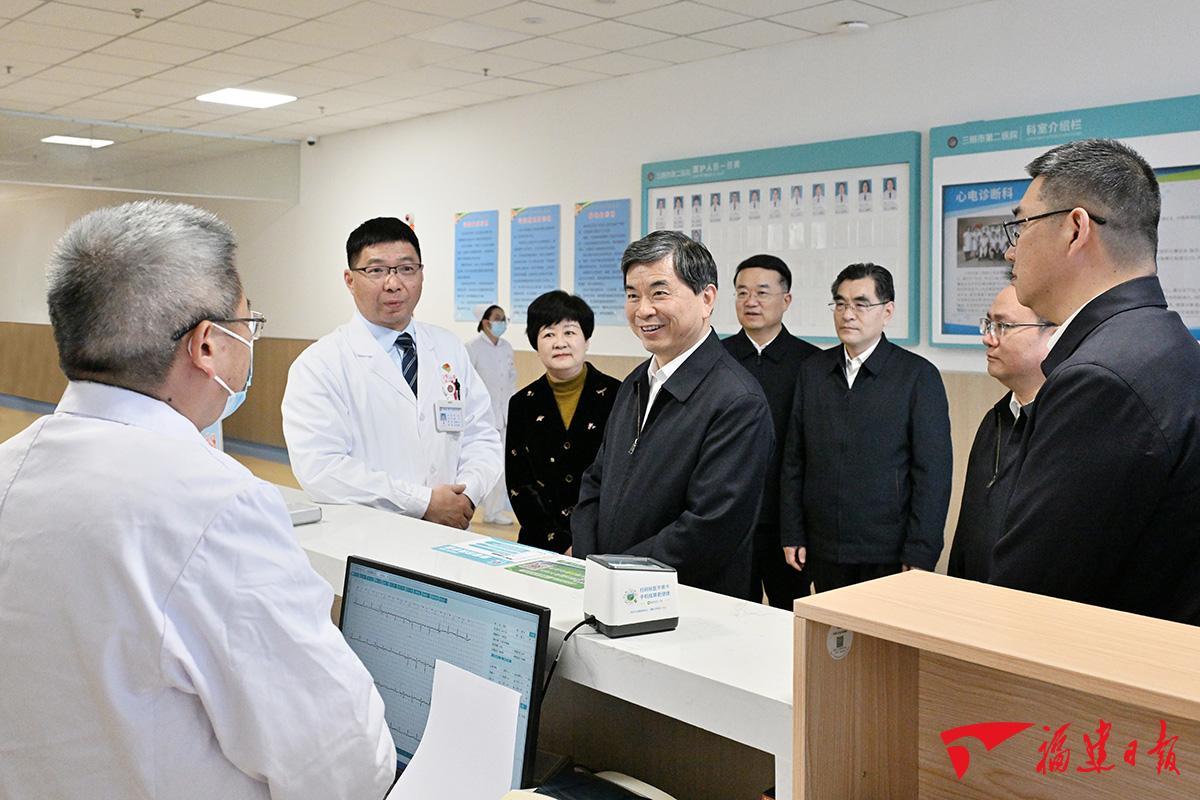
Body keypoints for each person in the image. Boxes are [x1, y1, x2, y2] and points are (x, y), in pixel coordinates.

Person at [0, 201, 394, 799]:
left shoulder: (11, 467)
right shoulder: (218, 506)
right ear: (207, 345)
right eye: (248, 323)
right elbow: (341, 766)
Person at [991, 138, 1200, 625]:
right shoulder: (1167, 342)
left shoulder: (1099, 380)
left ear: (1075, 228)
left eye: (1021, 226)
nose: (1010, 248)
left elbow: (1033, 589)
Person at [572, 231, 774, 599]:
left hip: (682, 604)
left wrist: (614, 573)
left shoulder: (737, 400)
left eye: (659, 293)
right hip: (610, 591)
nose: (643, 310)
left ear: (706, 299)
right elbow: (596, 481)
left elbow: (710, 528)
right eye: (632, 295)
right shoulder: (636, 382)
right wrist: (591, 562)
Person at [282, 216, 502, 529]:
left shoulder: (448, 348)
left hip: (449, 531)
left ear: (421, 274)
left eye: (406, 269)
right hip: (365, 536)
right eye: (376, 270)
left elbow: (481, 435)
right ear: (349, 279)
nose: (393, 283)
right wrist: (423, 502)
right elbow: (320, 468)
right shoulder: (319, 364)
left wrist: (466, 495)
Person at [781, 263, 952, 592]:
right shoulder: (813, 371)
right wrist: (792, 531)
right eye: (840, 303)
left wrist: (922, 549)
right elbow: (794, 460)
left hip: (888, 549)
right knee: (829, 625)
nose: (848, 314)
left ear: (887, 312)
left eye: (861, 304)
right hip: (823, 545)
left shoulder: (918, 376)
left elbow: (933, 474)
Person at [722, 255, 818, 607]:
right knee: (730, 610)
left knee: (789, 613)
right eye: (742, 292)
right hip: (728, 515)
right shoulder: (717, 358)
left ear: (786, 300)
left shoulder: (812, 363)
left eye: (762, 292)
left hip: (787, 521)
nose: (751, 302)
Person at [947, 285, 1054, 582]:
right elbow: (968, 525)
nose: (988, 338)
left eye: (1003, 327)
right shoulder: (996, 418)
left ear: (1053, 334)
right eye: (988, 324)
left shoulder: (1062, 428)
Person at [506, 291, 620, 553]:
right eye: (548, 334)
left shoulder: (619, 396)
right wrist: (560, 544)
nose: (560, 343)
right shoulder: (522, 403)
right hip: (539, 545)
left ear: (586, 340)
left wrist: (586, 541)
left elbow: (623, 476)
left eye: (569, 332)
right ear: (536, 344)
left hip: (603, 543)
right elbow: (519, 484)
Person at [466, 303, 517, 525]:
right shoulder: (472, 347)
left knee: (501, 466)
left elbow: (511, 379)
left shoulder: (506, 347)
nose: (502, 322)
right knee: (476, 464)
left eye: (504, 318)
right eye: (498, 318)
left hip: (503, 415)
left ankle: (494, 511)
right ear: (486, 322)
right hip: (480, 417)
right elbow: (466, 383)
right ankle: (467, 509)